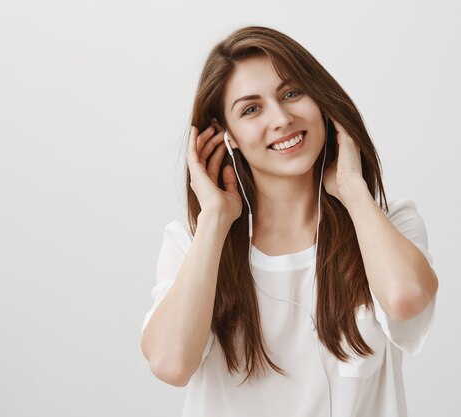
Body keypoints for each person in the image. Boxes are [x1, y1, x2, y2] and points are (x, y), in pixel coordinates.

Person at [141, 25, 439, 417]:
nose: (281, 118)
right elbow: (171, 364)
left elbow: (406, 300)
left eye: (292, 93)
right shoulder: (191, 243)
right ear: (225, 136)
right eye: (251, 109)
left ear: (321, 101)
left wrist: (352, 189)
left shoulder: (388, 223)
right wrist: (215, 219)